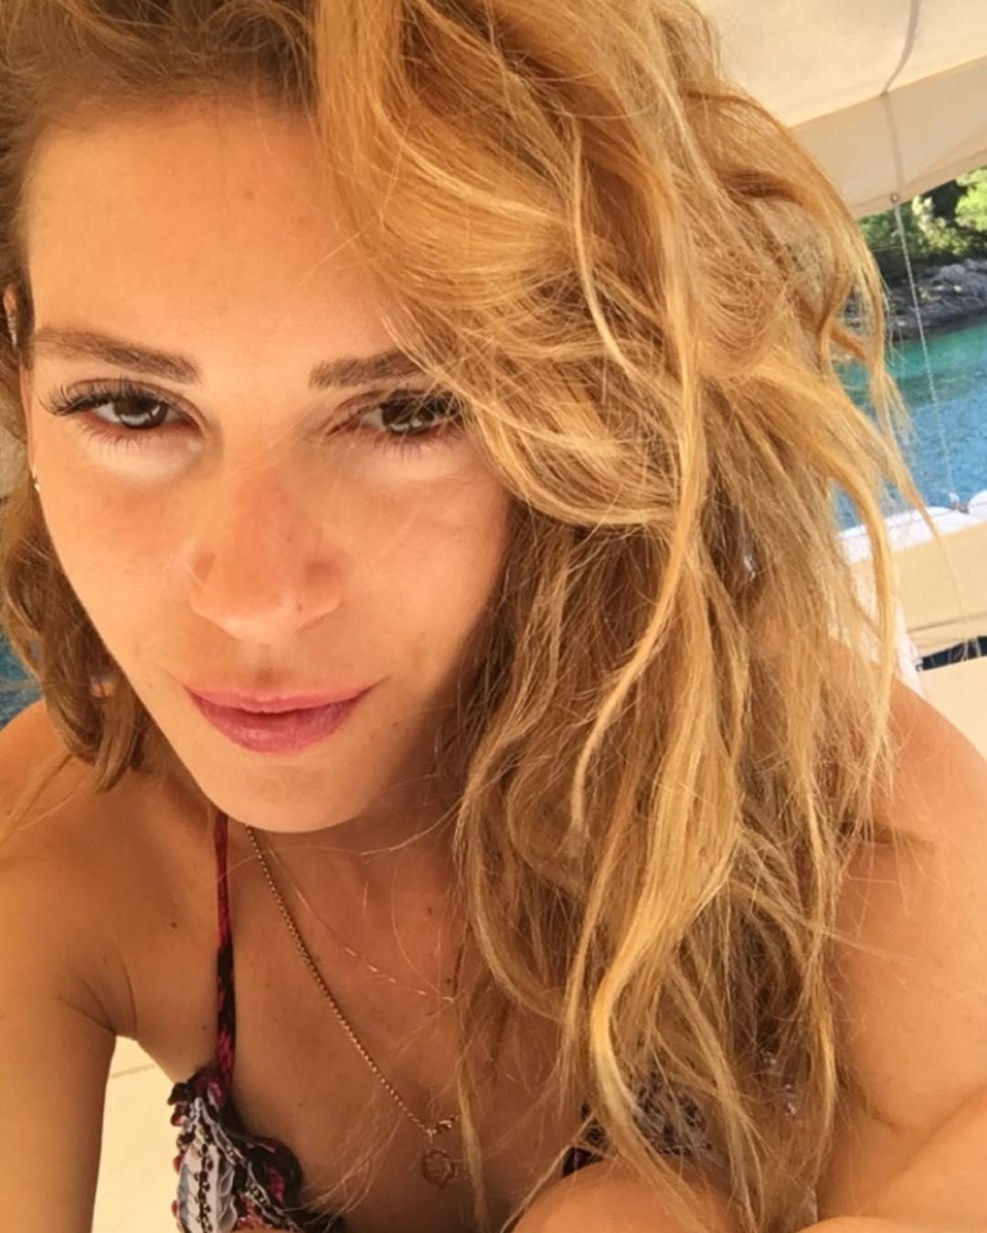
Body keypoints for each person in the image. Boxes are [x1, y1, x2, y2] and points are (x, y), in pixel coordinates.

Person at [0, 2, 984, 1233]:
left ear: (586, 394)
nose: (257, 599)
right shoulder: (53, 842)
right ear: (19, 373)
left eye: (410, 409)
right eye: (131, 408)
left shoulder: (790, 771)